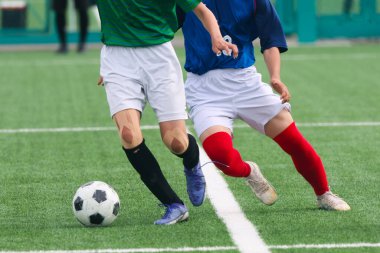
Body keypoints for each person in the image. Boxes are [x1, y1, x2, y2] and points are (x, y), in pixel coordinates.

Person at [179, 0, 350, 211]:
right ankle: (249, 171)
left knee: (294, 141)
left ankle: (324, 194)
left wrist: (275, 77)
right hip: (204, 90)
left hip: (246, 83)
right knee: (222, 157)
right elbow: (161, 26)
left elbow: (270, 40)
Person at [96, 0, 238, 225]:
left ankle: (191, 162)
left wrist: (217, 37)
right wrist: (111, 70)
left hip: (159, 58)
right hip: (117, 58)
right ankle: (174, 204)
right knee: (128, 135)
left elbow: (202, 11)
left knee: (176, 142)